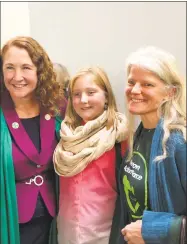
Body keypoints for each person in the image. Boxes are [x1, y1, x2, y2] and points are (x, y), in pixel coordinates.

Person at [109, 46, 186, 244]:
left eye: (147, 84)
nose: (135, 90)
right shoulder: (138, 135)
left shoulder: (179, 143)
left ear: (170, 92)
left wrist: (153, 230)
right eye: (131, 82)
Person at [0, 36, 66, 244]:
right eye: (10, 68)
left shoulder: (57, 107)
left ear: (40, 71)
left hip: (55, 219)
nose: (17, 76)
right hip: (11, 221)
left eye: (26, 68)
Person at [53, 66, 129, 244]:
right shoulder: (64, 136)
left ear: (106, 96)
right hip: (66, 232)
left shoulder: (119, 137)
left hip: (107, 233)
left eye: (91, 92)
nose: (83, 100)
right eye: (77, 94)